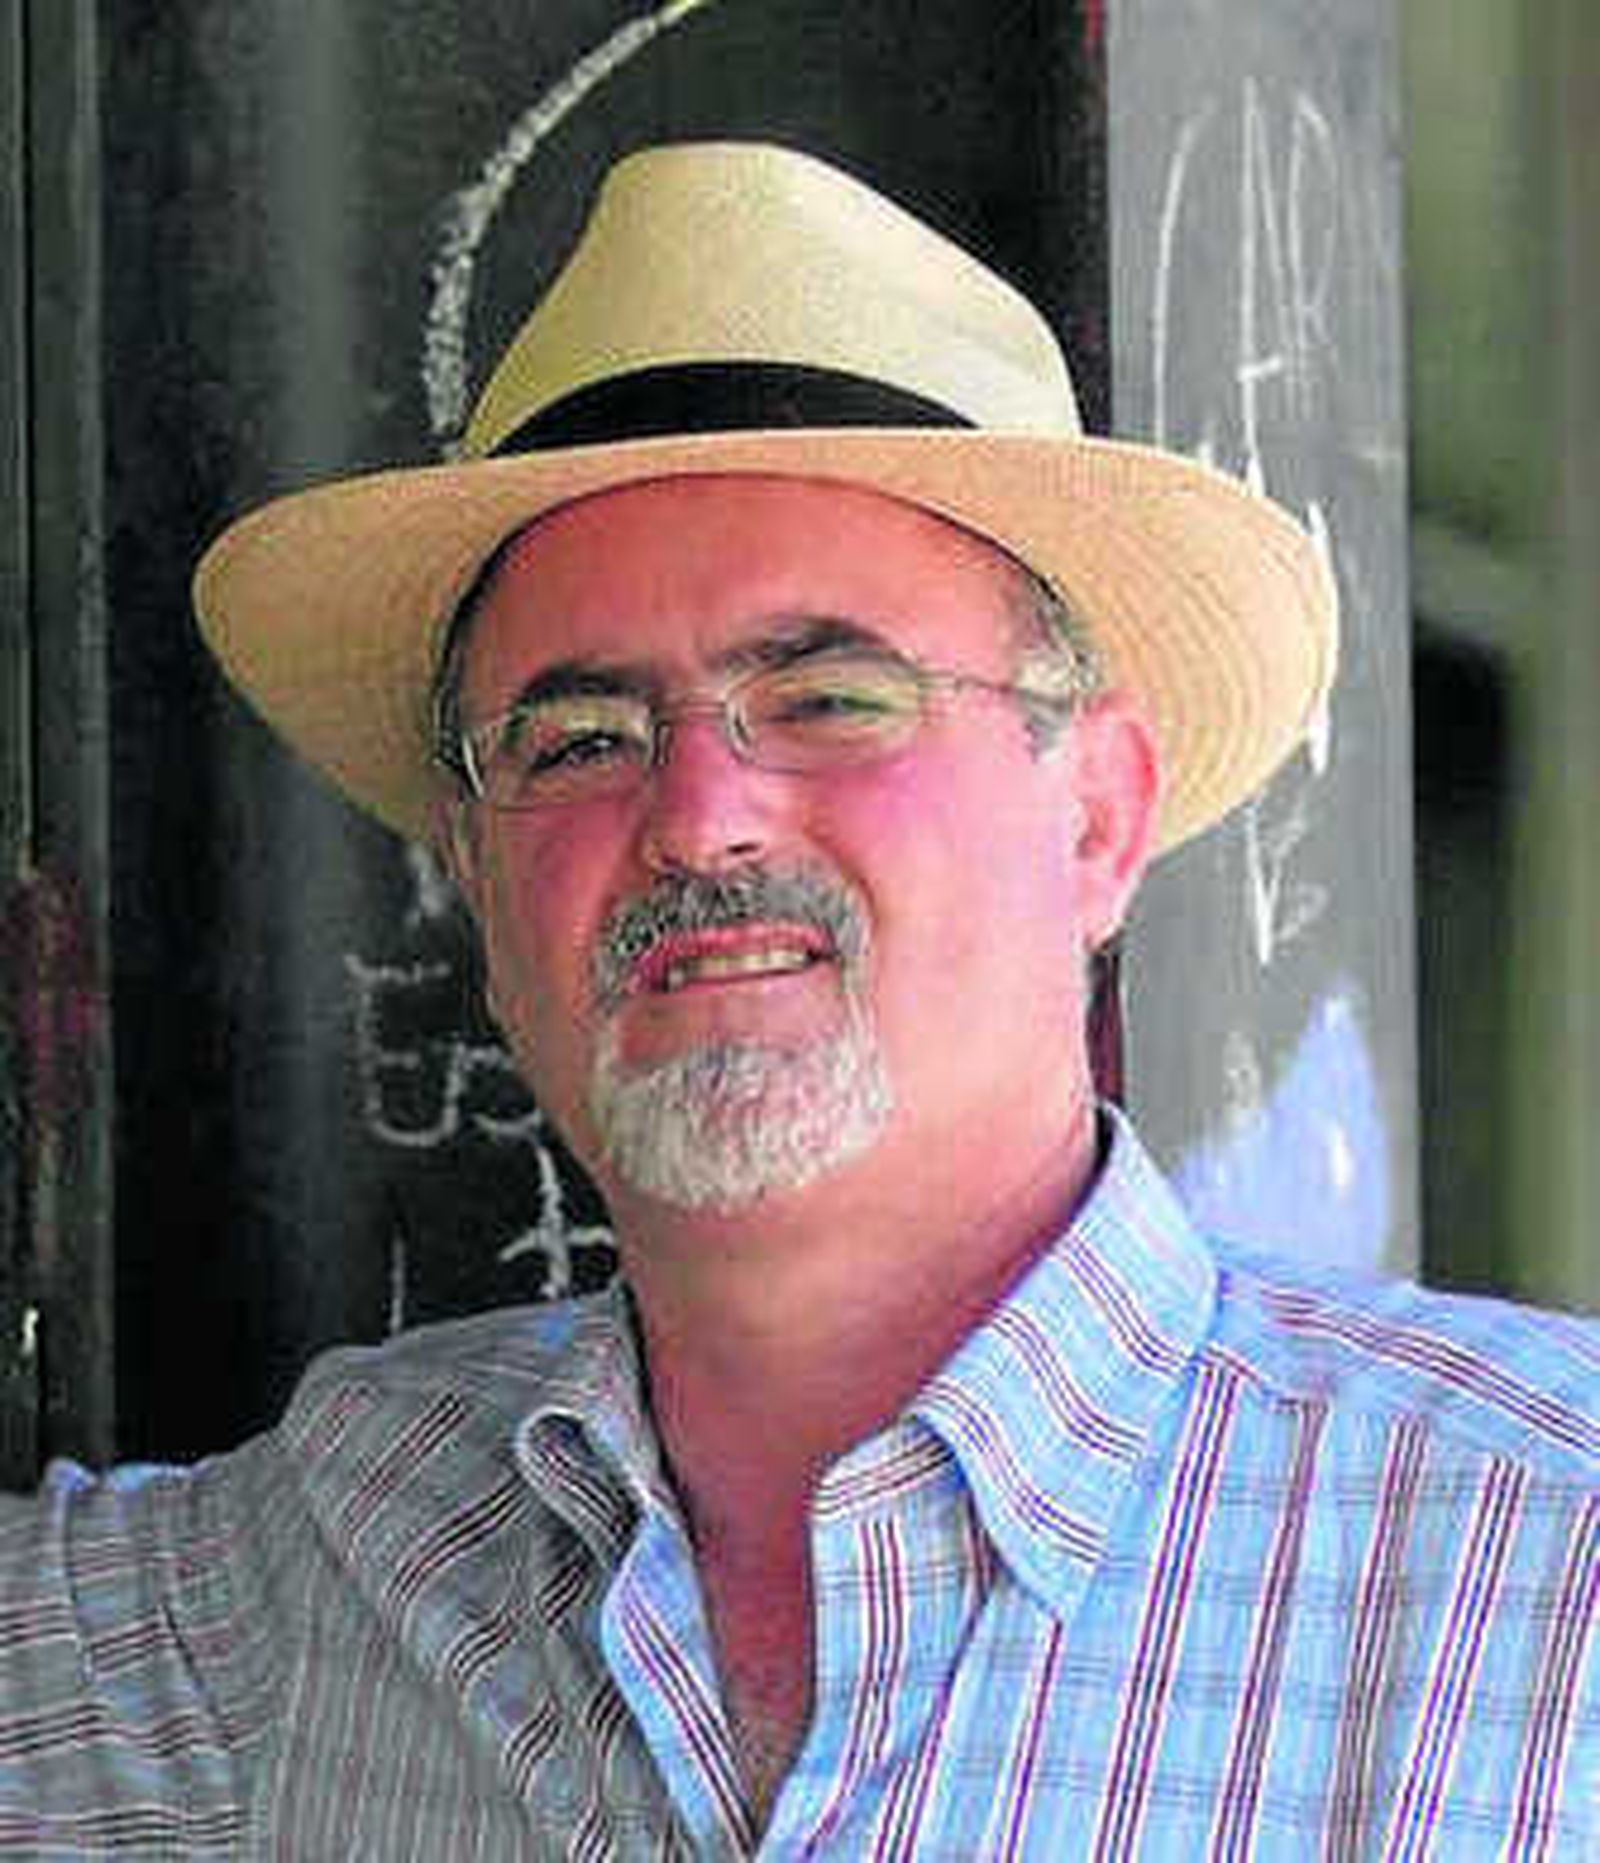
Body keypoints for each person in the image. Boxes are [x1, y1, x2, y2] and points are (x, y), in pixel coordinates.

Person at [1, 141, 1594, 1860]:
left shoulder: (1544, 1567)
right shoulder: (308, 1581)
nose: (699, 819)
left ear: (1096, 815)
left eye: (832, 698)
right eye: (579, 740)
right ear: (474, 870)